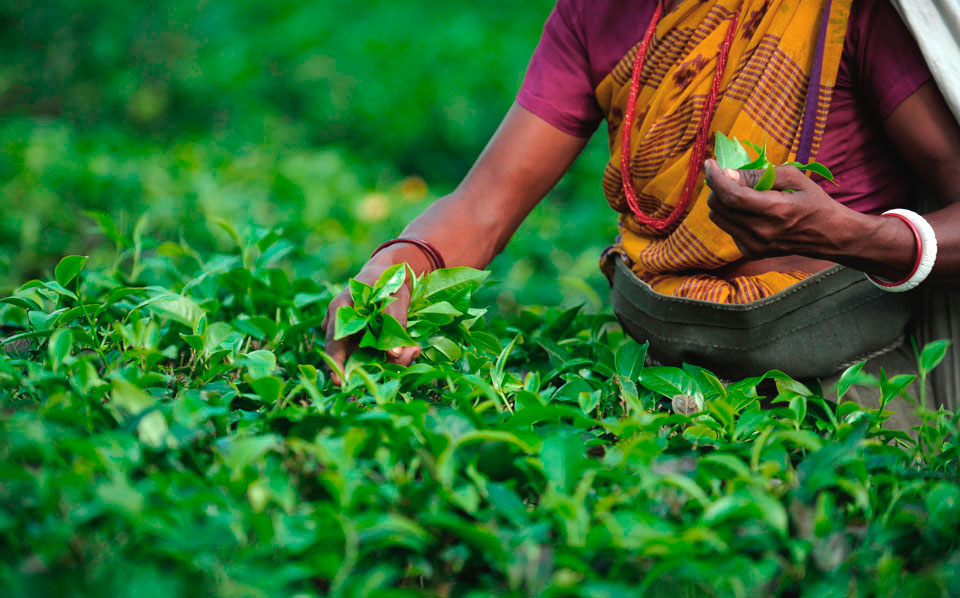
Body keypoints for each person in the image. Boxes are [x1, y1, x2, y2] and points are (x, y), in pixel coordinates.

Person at [322, 0, 960, 412]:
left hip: (845, 394)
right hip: (659, 384)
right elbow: (484, 204)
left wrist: (850, 237)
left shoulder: (853, 12)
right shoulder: (600, 15)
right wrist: (391, 271)